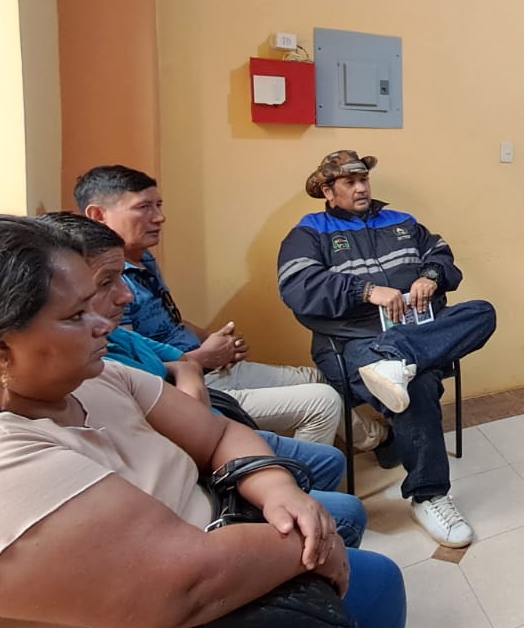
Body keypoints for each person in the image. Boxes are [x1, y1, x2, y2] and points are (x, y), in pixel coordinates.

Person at [0, 215, 413, 628]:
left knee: (381, 585)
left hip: (229, 568)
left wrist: (279, 489)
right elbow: (186, 584)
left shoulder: (97, 375)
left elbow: (217, 434)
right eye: (75, 316)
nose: (102, 322)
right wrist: (312, 541)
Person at [39, 211, 367, 547]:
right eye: (105, 283)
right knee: (327, 423)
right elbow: (191, 426)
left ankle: (321, 517)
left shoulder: (121, 324)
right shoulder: (98, 366)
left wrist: (205, 352)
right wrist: (198, 367)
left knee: (327, 444)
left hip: (211, 407)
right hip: (204, 442)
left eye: (159, 205)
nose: (126, 295)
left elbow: (186, 365)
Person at [278, 150, 497, 548]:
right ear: (328, 191)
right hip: (352, 343)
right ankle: (429, 496)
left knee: (483, 312)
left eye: (364, 179)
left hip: (418, 329)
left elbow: (442, 257)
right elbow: (298, 288)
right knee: (417, 386)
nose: (361, 188)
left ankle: (397, 357)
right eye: (349, 182)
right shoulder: (308, 233)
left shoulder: (403, 222)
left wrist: (431, 276)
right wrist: (365, 291)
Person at [75, 165, 352, 450]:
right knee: (324, 401)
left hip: (206, 366)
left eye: (158, 205)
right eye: (144, 207)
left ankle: (373, 439)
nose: (159, 217)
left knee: (320, 376)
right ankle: (296, 473)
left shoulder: (143, 258)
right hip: (185, 385)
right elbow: (136, 371)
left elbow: (171, 322)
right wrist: (203, 357)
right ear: (98, 215)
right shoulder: (102, 284)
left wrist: (216, 342)